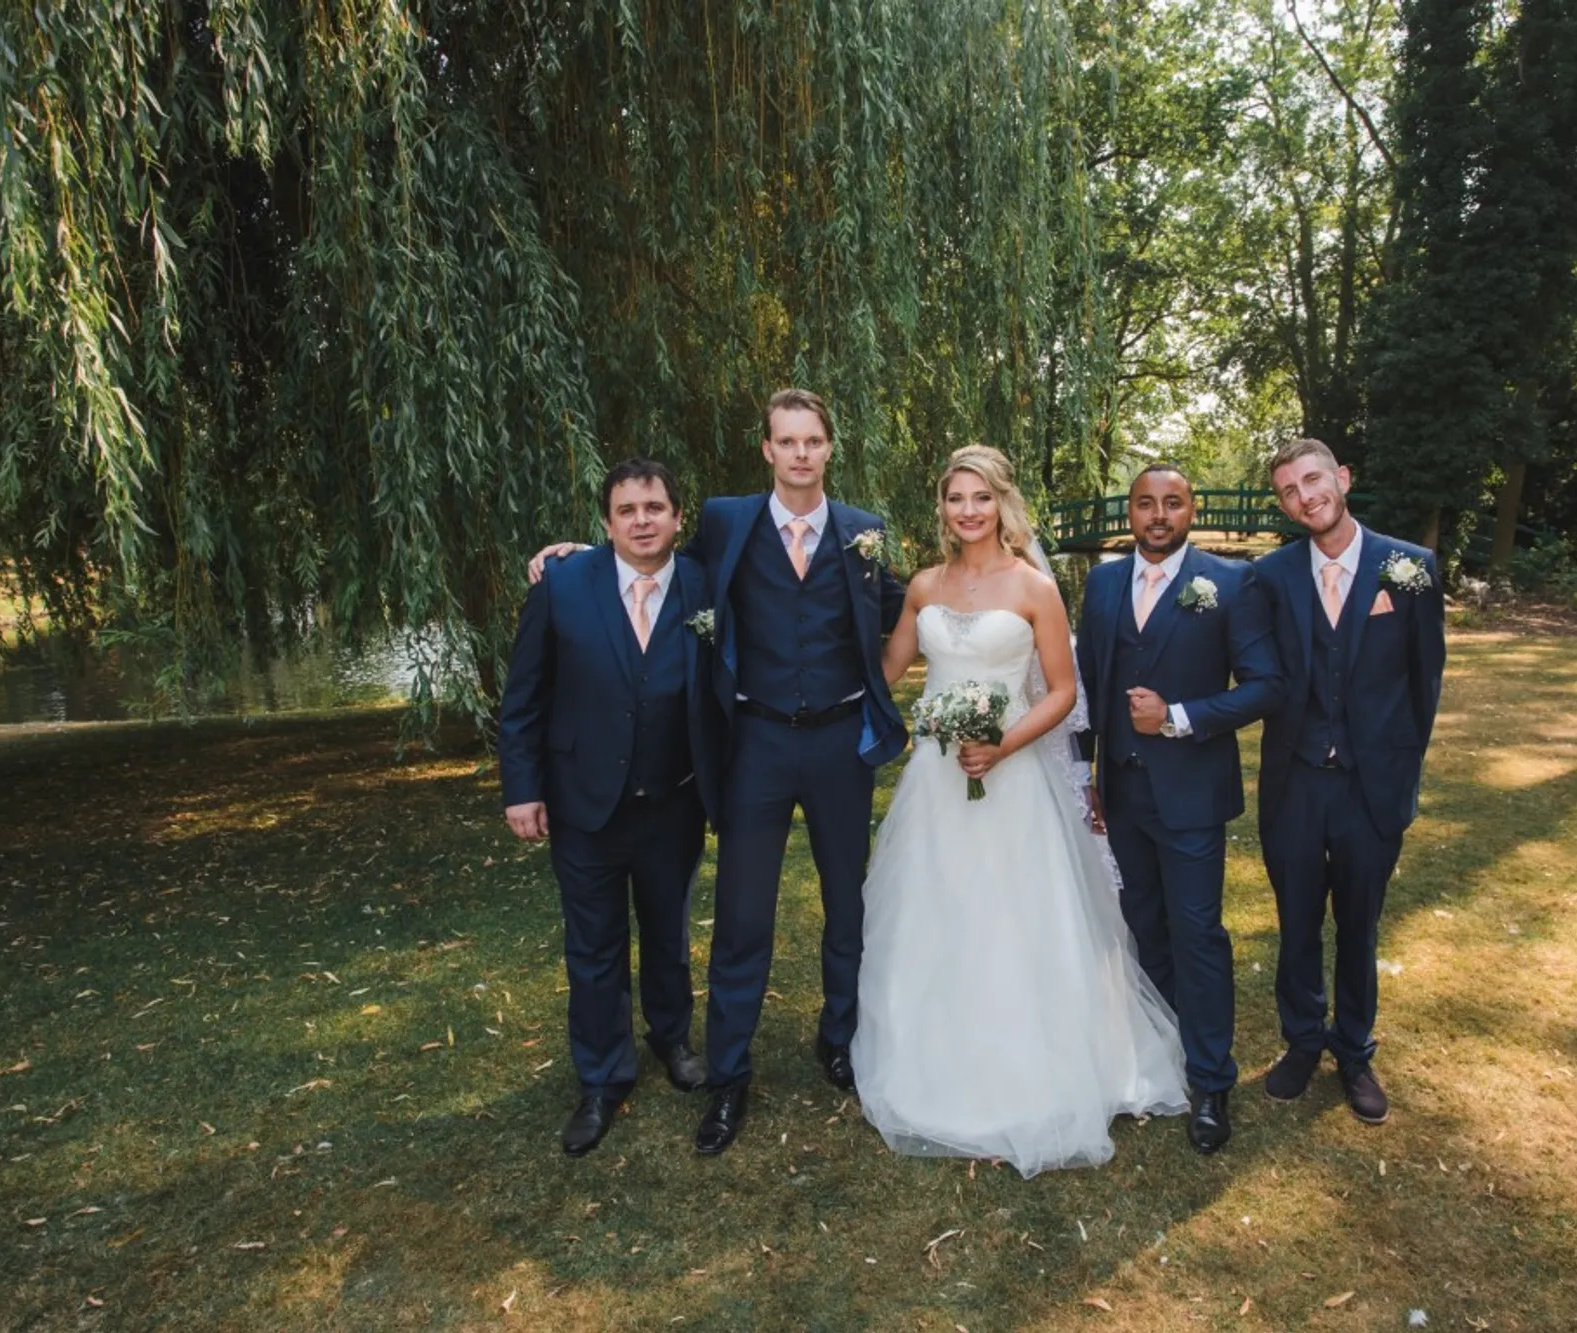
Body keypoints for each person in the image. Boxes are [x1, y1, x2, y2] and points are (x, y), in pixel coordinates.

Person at [528, 389, 906, 1156]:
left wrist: (983, 581)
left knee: (848, 904)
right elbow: (654, 557)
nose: (800, 453)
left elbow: (907, 604)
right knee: (742, 915)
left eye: (812, 440)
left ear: (830, 448)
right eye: (786, 441)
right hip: (756, 744)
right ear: (766, 449)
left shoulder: (863, 532)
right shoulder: (729, 521)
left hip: (839, 746)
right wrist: (579, 554)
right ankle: (729, 1072)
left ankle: (840, 1037)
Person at [852, 445, 1186, 1177]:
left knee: (1014, 916)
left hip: (1014, 778)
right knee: (935, 912)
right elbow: (887, 670)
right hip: (937, 782)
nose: (967, 510)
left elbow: (1063, 691)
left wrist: (1002, 745)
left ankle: (1037, 1069)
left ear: (1002, 502)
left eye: (980, 497)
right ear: (942, 507)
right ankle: (934, 1061)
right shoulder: (925, 586)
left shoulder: (1034, 587)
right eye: (955, 498)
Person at [498, 458, 723, 1156]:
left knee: (667, 932)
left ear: (678, 517)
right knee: (593, 945)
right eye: (627, 510)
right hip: (584, 803)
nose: (642, 521)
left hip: (674, 800)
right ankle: (601, 1077)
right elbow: (524, 697)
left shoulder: (708, 584)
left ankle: (672, 1039)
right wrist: (522, 788)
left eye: (654, 508)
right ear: (606, 522)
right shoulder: (563, 584)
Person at [1074, 464, 1282, 1155]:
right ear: (1129, 512)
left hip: (1191, 794)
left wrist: (1178, 717)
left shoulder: (1230, 582)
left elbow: (1264, 685)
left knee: (1197, 934)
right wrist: (1083, 772)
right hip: (1121, 791)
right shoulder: (1103, 584)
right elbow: (1088, 683)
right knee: (1143, 928)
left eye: (1172, 503)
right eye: (1145, 503)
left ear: (1191, 510)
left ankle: (1212, 1078)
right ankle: (1158, 1055)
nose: (1158, 515)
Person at [1251, 437, 1446, 1125]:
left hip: (1371, 786)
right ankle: (1303, 1041)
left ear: (1342, 477)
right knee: (1298, 922)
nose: (1305, 497)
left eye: (1313, 480)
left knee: (1359, 925)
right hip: (1296, 784)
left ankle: (1355, 1051)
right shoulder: (1269, 576)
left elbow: (1425, 681)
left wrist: (1400, 770)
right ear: (1283, 505)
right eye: (1289, 491)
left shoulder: (1409, 567)